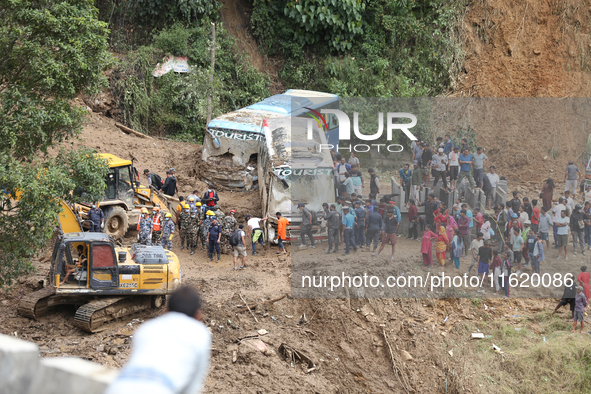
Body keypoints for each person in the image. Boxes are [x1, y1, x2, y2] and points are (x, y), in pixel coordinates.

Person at [105, 286, 211, 394]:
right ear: (198, 316)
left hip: (119, 387)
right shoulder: (199, 334)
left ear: (166, 311)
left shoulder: (146, 328)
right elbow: (192, 387)